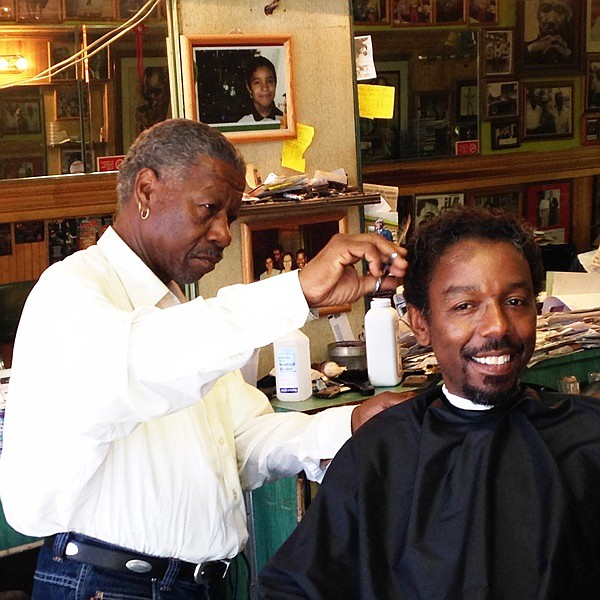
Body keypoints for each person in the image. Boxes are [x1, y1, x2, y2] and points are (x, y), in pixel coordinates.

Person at [0, 119, 408, 600]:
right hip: (109, 586)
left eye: (230, 219)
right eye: (209, 210)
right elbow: (139, 365)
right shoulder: (70, 293)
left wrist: (350, 425)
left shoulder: (182, 318)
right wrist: (295, 290)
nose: (224, 235)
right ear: (147, 190)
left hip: (200, 585)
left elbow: (241, 443)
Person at [259, 206, 600, 599]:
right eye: (464, 306)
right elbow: (292, 587)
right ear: (421, 323)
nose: (497, 326)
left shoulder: (587, 436)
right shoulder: (381, 452)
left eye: (516, 301)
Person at [525, 0, 574, 65]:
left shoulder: (576, 54)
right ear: (537, 14)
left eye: (560, 11)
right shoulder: (527, 49)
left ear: (568, 17)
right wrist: (531, 49)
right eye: (545, 10)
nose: (551, 19)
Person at [237, 56, 283, 125]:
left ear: (275, 83)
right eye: (257, 82)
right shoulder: (241, 123)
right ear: (249, 88)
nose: (265, 88)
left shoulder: (285, 121)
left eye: (269, 81)